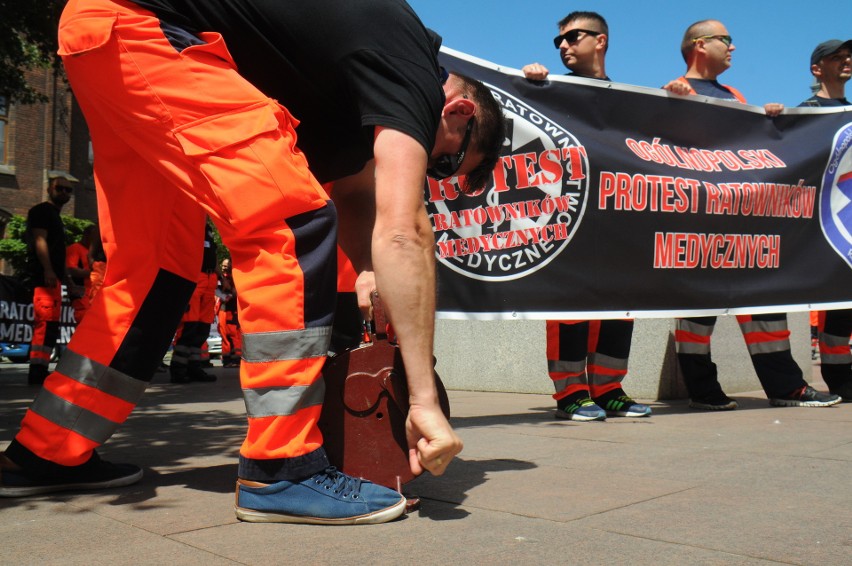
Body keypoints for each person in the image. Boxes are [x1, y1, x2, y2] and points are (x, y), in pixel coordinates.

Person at [0, 0, 505, 527]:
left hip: (105, 39)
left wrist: (369, 273)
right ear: (459, 113)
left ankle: (47, 451)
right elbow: (404, 229)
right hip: (142, 29)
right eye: (445, 162)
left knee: (157, 271)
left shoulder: (356, 89)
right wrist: (423, 399)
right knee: (291, 222)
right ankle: (282, 466)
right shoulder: (413, 71)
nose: (433, 171)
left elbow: (358, 200)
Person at [663, 20, 840, 410]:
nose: (733, 47)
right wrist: (668, 103)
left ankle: (786, 387)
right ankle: (703, 391)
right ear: (699, 45)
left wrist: (769, 121)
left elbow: (749, 153)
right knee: (696, 314)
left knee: (766, 300)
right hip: (697, 226)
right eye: (726, 40)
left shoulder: (734, 95)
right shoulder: (671, 91)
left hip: (742, 224)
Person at [523, 11, 651, 421]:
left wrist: (679, 100)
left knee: (620, 305)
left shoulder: (629, 100)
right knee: (570, 304)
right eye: (557, 40)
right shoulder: (551, 89)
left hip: (618, 218)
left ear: (601, 41)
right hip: (569, 216)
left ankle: (609, 388)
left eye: (572, 36)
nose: (562, 45)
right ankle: (572, 392)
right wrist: (527, 86)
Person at [800, 39, 852, 401]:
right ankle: (837, 377)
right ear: (817, 68)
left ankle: (842, 375)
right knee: (834, 300)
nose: (846, 61)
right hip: (820, 223)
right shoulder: (804, 112)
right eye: (837, 57)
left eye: (848, 57)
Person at [23, 174, 74, 386]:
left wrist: (67, 280)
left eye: (68, 190)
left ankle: (41, 368)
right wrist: (48, 270)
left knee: (51, 325)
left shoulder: (55, 215)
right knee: (44, 324)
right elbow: (39, 240)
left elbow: (58, 251)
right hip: (44, 278)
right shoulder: (42, 212)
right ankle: (36, 371)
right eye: (60, 188)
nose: (64, 192)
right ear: (49, 189)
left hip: (53, 279)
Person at [170, 220, 218, 383]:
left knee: (202, 328)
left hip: (210, 280)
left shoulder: (208, 229)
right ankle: (178, 370)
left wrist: (222, 279)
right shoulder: (190, 226)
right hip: (196, 278)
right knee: (189, 327)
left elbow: (214, 255)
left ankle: (194, 367)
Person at [65, 224, 94, 324]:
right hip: (82, 295)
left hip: (92, 295)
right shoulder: (75, 248)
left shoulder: (91, 252)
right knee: (85, 323)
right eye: (93, 237)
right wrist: (94, 274)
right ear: (86, 235)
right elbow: (70, 270)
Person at [216, 257, 241, 368]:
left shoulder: (234, 278)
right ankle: (227, 359)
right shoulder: (221, 278)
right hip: (224, 309)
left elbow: (236, 293)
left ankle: (236, 358)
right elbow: (216, 291)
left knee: (234, 334)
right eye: (223, 265)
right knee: (226, 335)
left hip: (232, 309)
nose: (224, 267)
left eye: (226, 265)